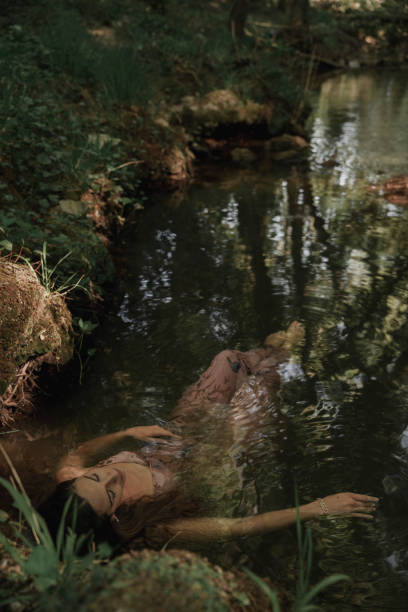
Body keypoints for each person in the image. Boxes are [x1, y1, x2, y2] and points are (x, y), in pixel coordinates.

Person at [38, 323, 378, 548]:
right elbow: (239, 527)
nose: (110, 475)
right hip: (217, 458)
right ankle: (281, 355)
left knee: (227, 361)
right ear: (111, 517)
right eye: (110, 493)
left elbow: (77, 453)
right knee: (255, 393)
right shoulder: (155, 528)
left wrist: (127, 432)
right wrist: (319, 507)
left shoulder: (71, 479)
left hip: (177, 436)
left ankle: (274, 351)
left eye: (96, 476)